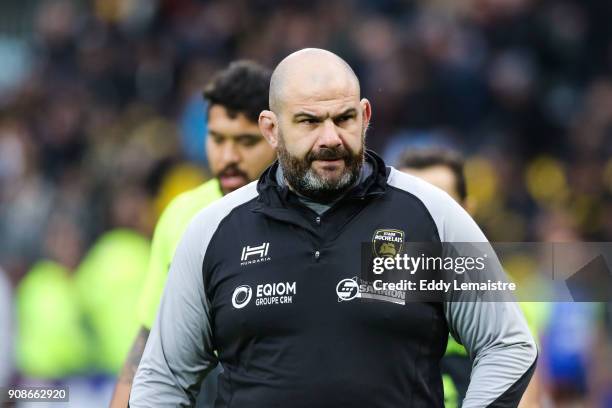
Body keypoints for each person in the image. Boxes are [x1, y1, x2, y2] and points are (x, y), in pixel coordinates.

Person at [130, 48, 537, 407]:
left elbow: (507, 344)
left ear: (365, 116)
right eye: (308, 121)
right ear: (271, 129)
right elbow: (162, 379)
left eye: (343, 118)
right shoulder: (212, 231)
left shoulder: (430, 216)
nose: (330, 138)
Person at [109, 60, 276, 407]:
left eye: (246, 141)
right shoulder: (182, 215)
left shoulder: (303, 212)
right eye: (217, 139)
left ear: (274, 136)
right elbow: (149, 336)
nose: (229, 156)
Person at [398, 147, 544, 407]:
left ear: (466, 211)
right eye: (412, 205)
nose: (425, 219)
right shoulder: (370, 284)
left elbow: (524, 392)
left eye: (441, 203)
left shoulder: (498, 289)